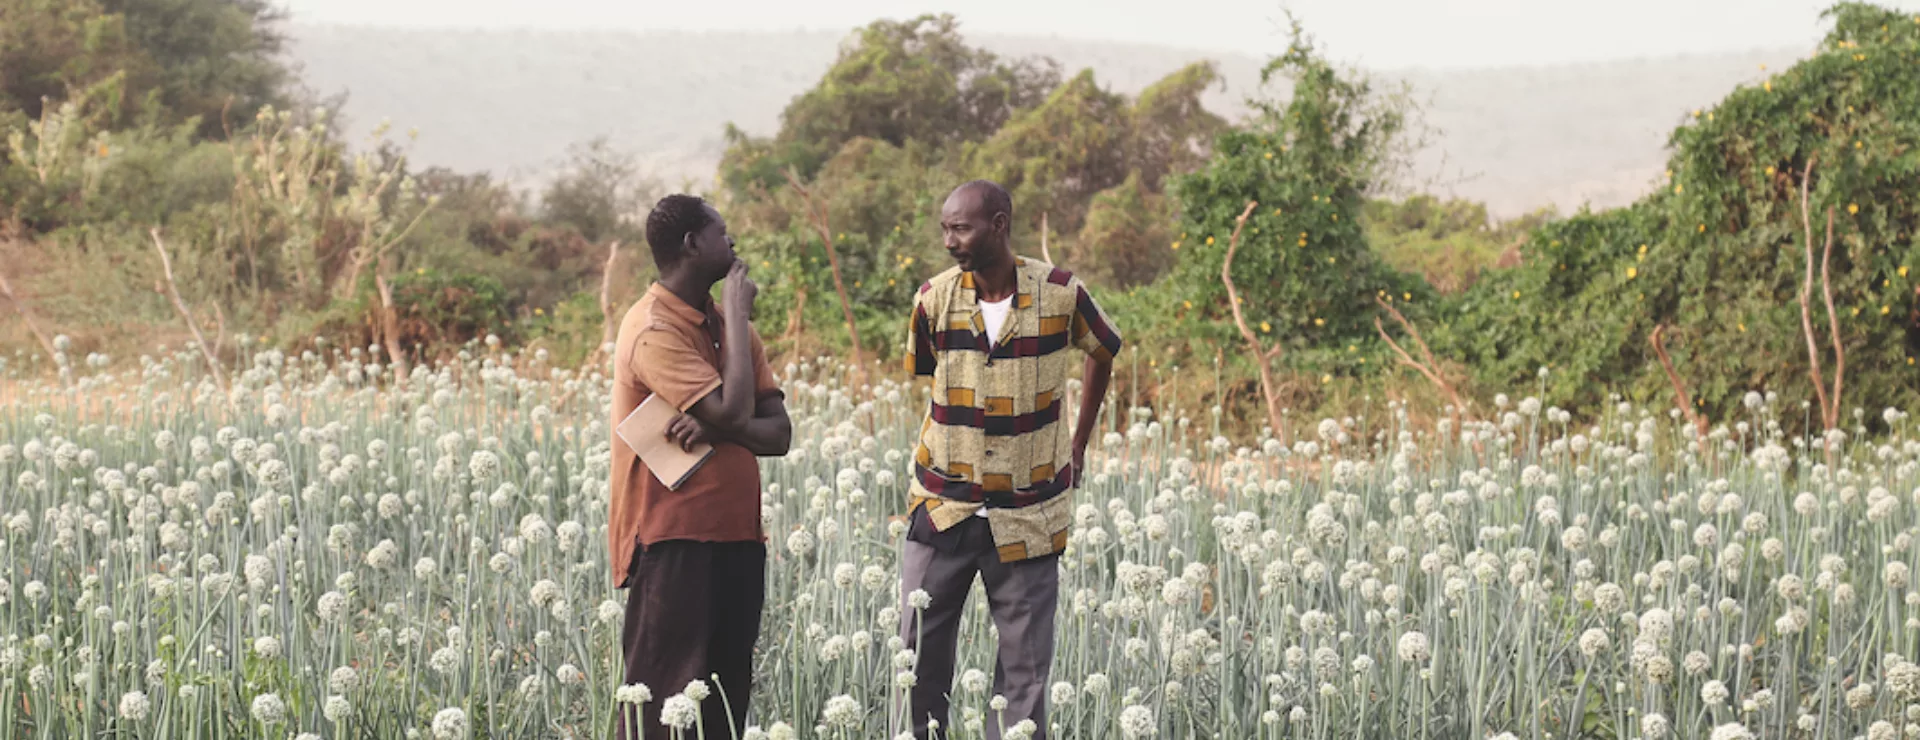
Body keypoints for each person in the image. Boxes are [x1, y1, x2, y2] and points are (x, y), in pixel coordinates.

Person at [897, 180, 1122, 740]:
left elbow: (1105, 348)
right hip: (943, 508)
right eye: (945, 228)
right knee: (916, 664)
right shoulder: (933, 299)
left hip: (1029, 513)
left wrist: (1078, 443)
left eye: (961, 228)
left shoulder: (1061, 294)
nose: (949, 241)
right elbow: (925, 369)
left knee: (1026, 676)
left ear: (999, 225)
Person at [607, 194, 791, 740]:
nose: (732, 242)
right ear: (692, 244)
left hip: (738, 538)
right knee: (661, 709)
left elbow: (779, 434)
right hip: (672, 542)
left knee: (722, 708)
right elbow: (737, 411)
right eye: (722, 232)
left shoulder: (729, 328)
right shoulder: (654, 328)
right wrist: (738, 315)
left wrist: (713, 426)